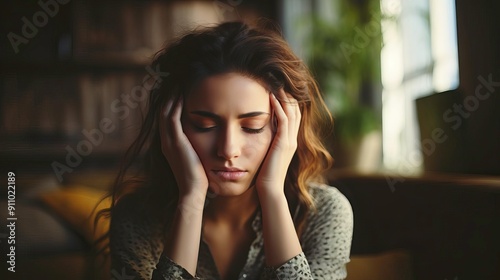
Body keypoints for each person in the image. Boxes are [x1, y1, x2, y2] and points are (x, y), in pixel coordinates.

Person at [107, 21, 353, 280]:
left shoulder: (324, 212)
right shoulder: (137, 217)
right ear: (172, 125)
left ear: (286, 128)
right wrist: (190, 200)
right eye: (205, 125)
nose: (228, 150)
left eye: (253, 127)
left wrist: (272, 193)